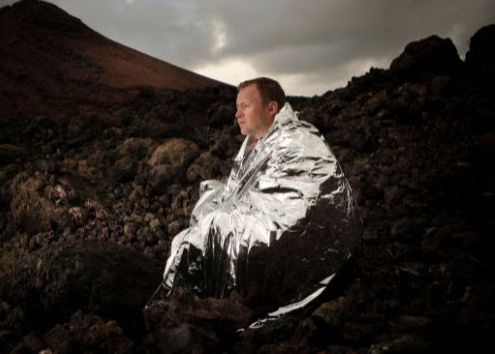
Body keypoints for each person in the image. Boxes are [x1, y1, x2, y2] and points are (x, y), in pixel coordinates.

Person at [152, 77, 362, 325]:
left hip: (291, 232)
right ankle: (191, 303)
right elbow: (242, 189)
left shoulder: (295, 140)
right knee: (209, 199)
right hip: (270, 218)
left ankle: (191, 310)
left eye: (245, 106)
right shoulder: (258, 141)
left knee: (211, 229)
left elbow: (292, 202)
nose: (237, 114)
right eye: (237, 107)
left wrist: (226, 219)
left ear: (271, 108)